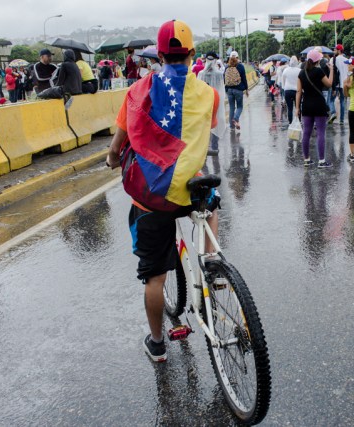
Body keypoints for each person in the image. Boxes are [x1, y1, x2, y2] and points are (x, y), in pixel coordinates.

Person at [105, 19, 220, 362]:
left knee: (154, 277)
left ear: (159, 54)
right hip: (189, 189)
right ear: (191, 54)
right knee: (212, 206)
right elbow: (204, 127)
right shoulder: (208, 95)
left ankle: (157, 343)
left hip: (151, 196)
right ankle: (212, 261)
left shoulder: (138, 90)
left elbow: (118, 144)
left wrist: (112, 158)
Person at [295, 49, 334, 168]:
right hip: (319, 105)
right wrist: (331, 70)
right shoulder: (319, 71)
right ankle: (321, 161)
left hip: (306, 105)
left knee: (306, 133)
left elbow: (298, 91)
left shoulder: (302, 73)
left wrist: (297, 108)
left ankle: (306, 159)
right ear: (318, 60)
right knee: (320, 133)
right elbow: (329, 84)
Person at [198, 51, 226, 155]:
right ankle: (214, 146)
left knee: (205, 124)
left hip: (204, 103)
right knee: (216, 121)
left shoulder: (201, 74)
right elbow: (221, 90)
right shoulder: (219, 74)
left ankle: (204, 147)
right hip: (215, 101)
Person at [224, 51, 248, 133]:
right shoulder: (240, 66)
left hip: (229, 90)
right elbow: (244, 78)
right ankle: (236, 118)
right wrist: (246, 89)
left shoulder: (227, 66)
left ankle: (231, 126)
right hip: (238, 89)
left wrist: (226, 89)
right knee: (240, 107)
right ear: (237, 58)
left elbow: (225, 79)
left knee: (231, 108)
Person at [282, 56, 300, 124]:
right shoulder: (299, 70)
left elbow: (283, 81)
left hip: (287, 91)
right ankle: (298, 121)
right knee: (297, 107)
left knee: (290, 108)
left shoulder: (286, 70)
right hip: (297, 91)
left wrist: (284, 89)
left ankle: (290, 122)